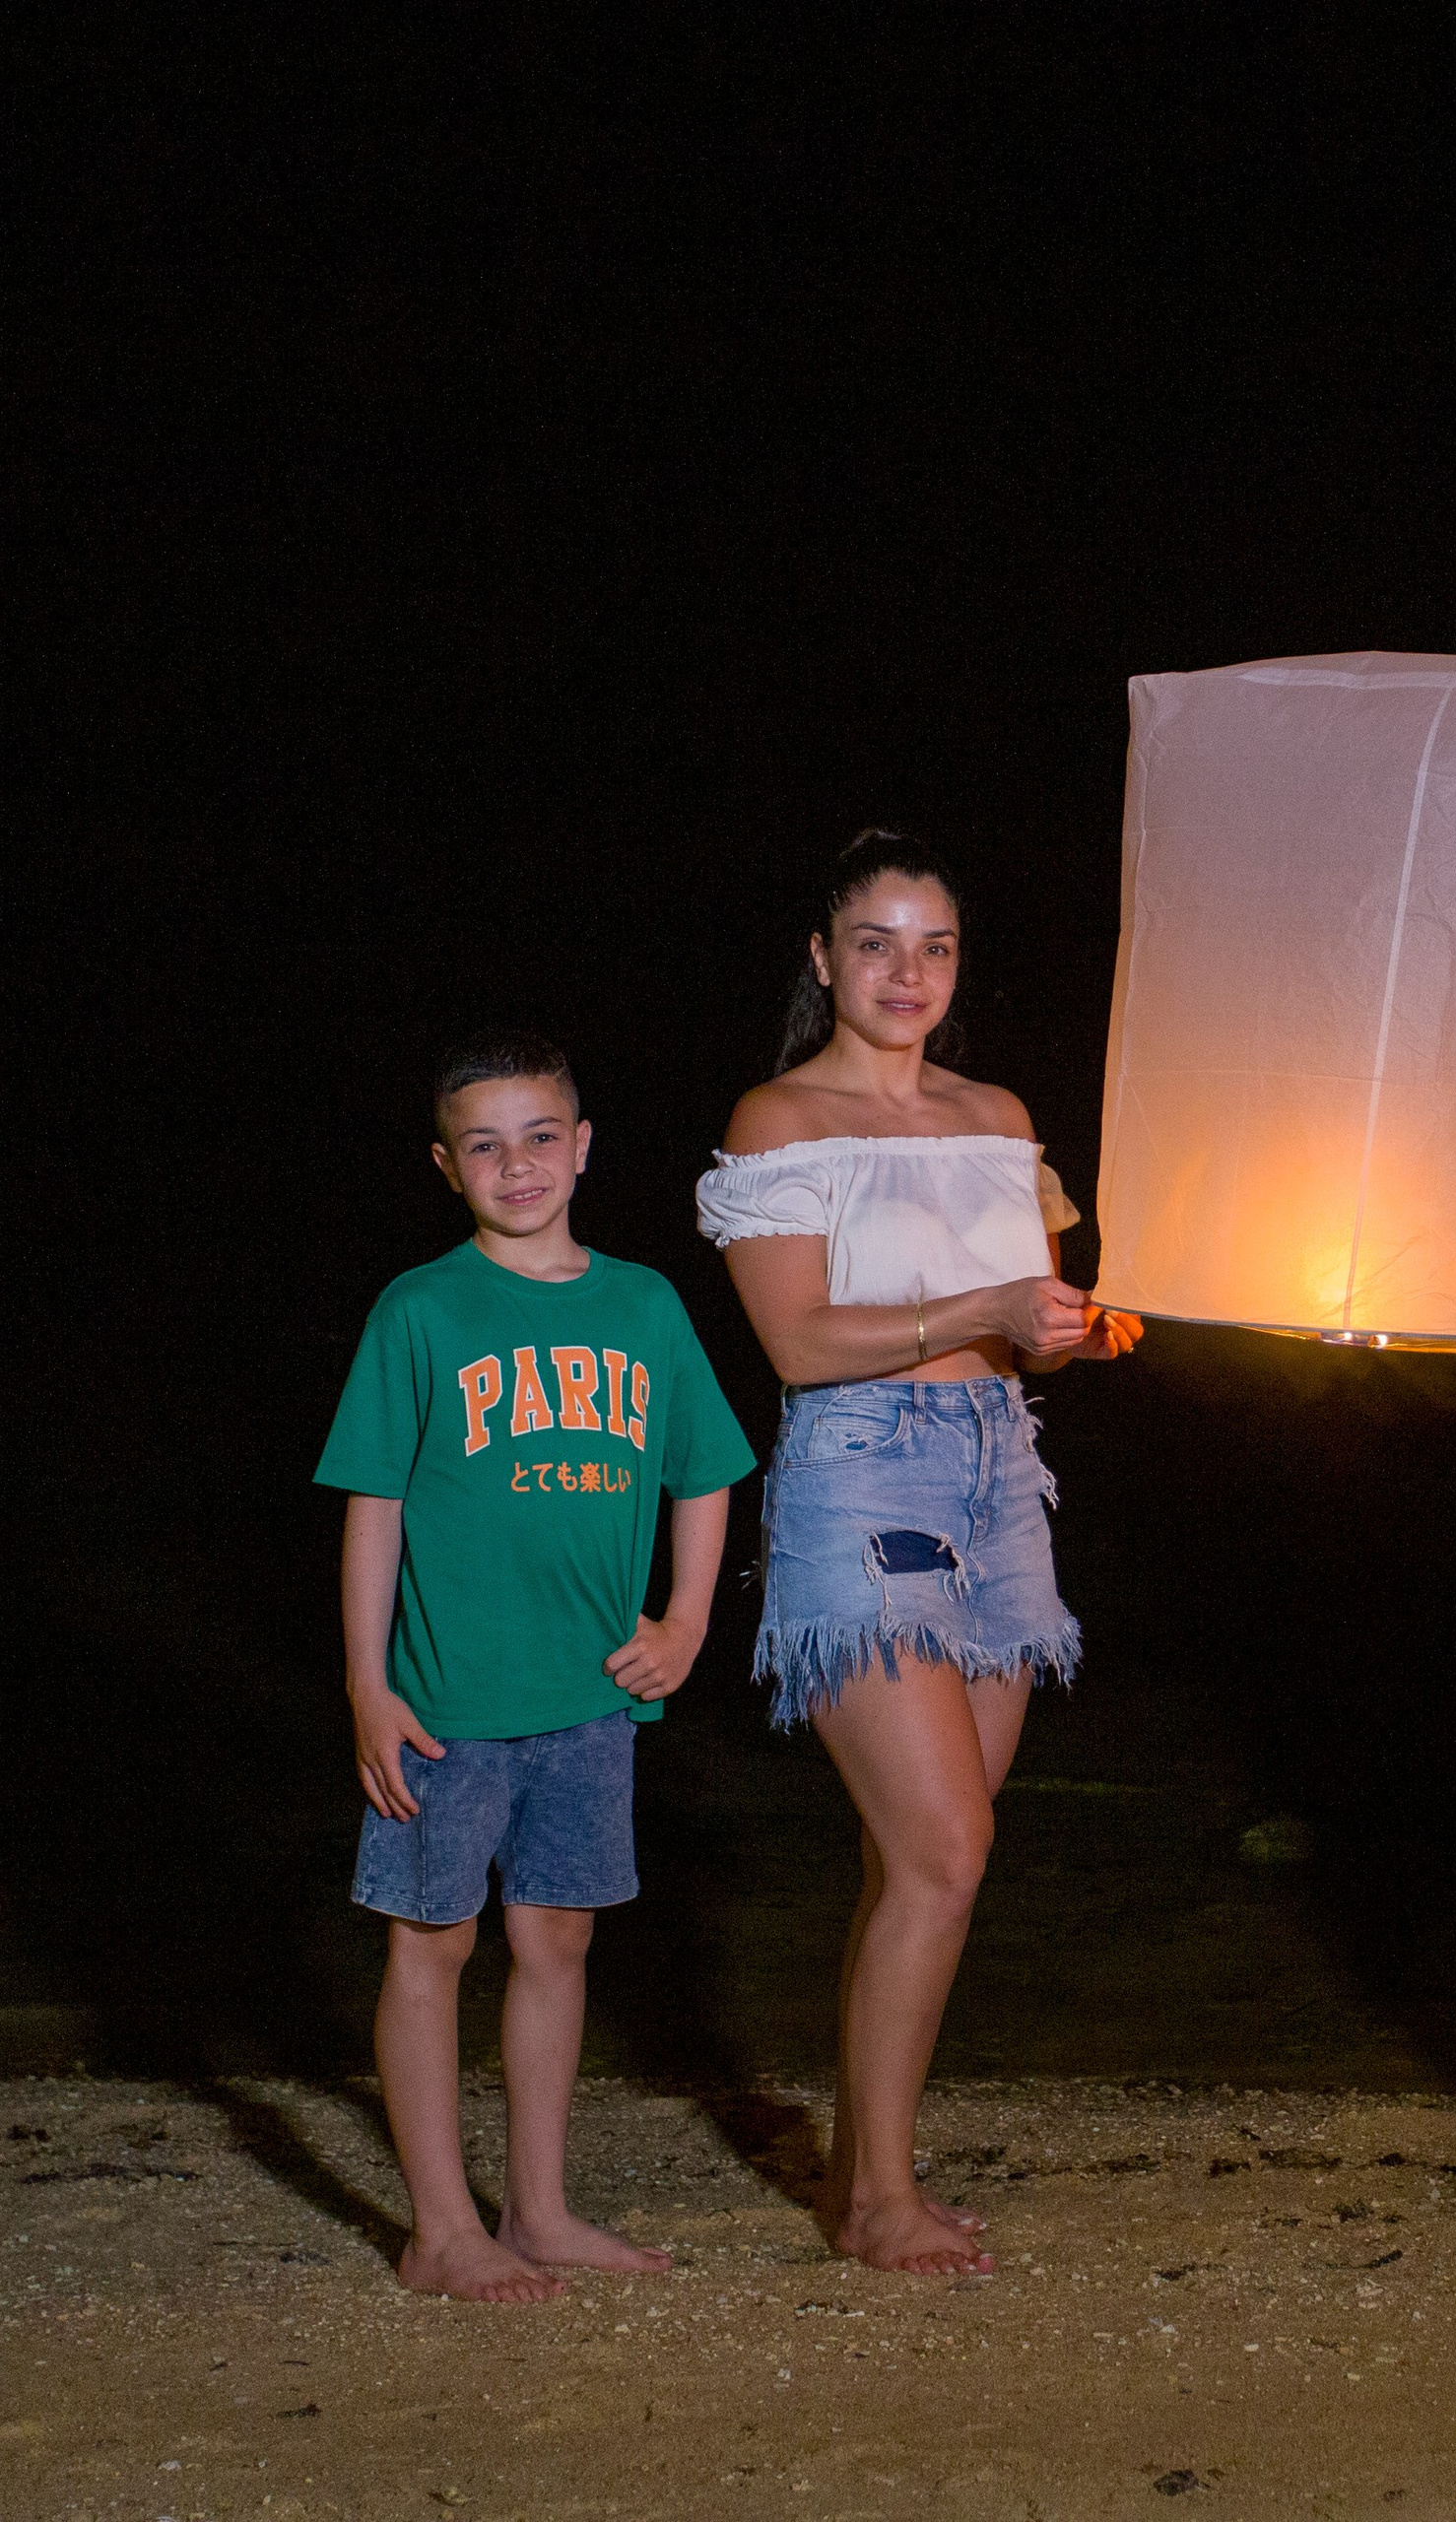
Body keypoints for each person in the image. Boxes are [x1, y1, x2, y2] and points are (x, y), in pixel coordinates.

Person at [698, 828, 1142, 2278]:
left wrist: (1066, 1332)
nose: (908, 973)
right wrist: (987, 1310)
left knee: (922, 1858)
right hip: (861, 1474)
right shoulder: (781, 1118)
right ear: (823, 957)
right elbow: (797, 1342)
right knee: (947, 1848)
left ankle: (866, 2176)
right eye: (877, 944)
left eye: (935, 946)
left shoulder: (996, 1114)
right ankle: (881, 2200)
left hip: (1001, 1479)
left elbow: (1032, 1330)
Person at [317, 1033, 755, 2302]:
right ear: (446, 1166)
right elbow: (373, 1507)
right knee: (431, 1946)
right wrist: (366, 1685)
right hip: (444, 1706)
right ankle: (439, 2229)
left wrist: (686, 1622)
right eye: (486, 1145)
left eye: (541, 1136)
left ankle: (541, 2209)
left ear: (583, 1146)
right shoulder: (420, 1310)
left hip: (592, 1698)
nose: (518, 1165)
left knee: (557, 1939)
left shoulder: (644, 1305)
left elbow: (707, 1470)